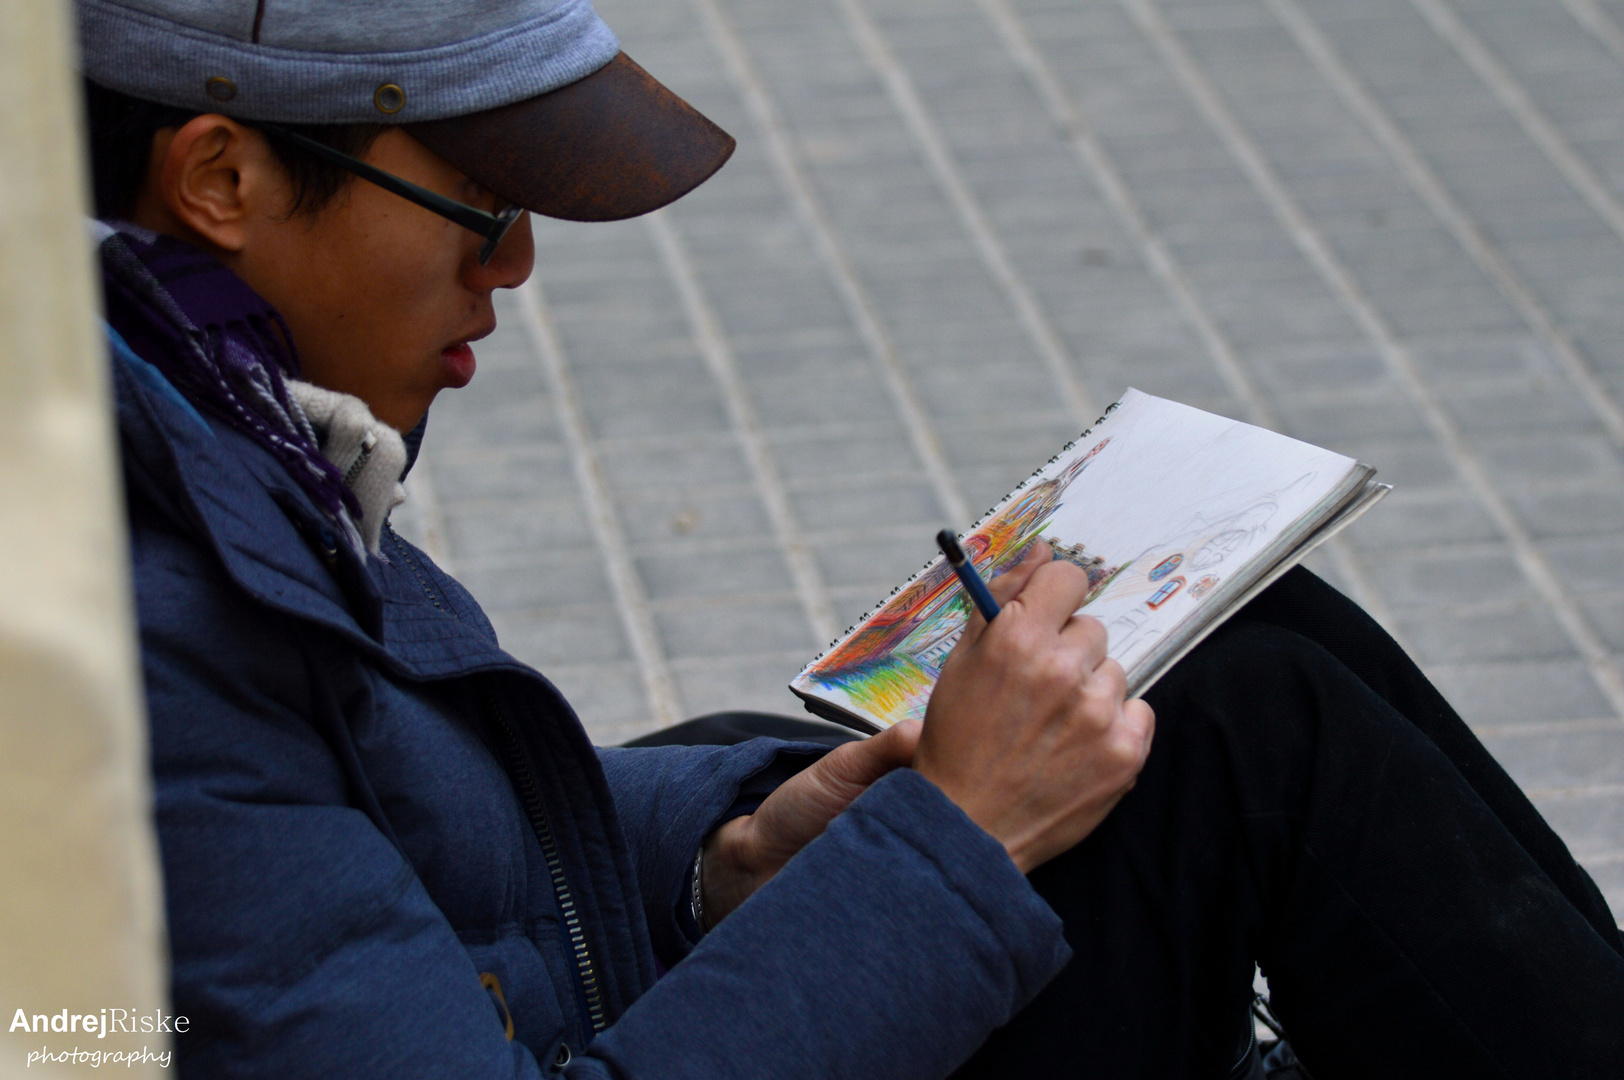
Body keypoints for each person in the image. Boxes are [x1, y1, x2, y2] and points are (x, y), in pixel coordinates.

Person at [80, 1, 1623, 1077]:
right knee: (1242, 730)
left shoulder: (182, 410)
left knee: (1214, 654)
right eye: (481, 206)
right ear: (221, 177)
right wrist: (958, 839)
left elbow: (403, 844)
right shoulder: (136, 641)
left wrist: (735, 855)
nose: (520, 267)